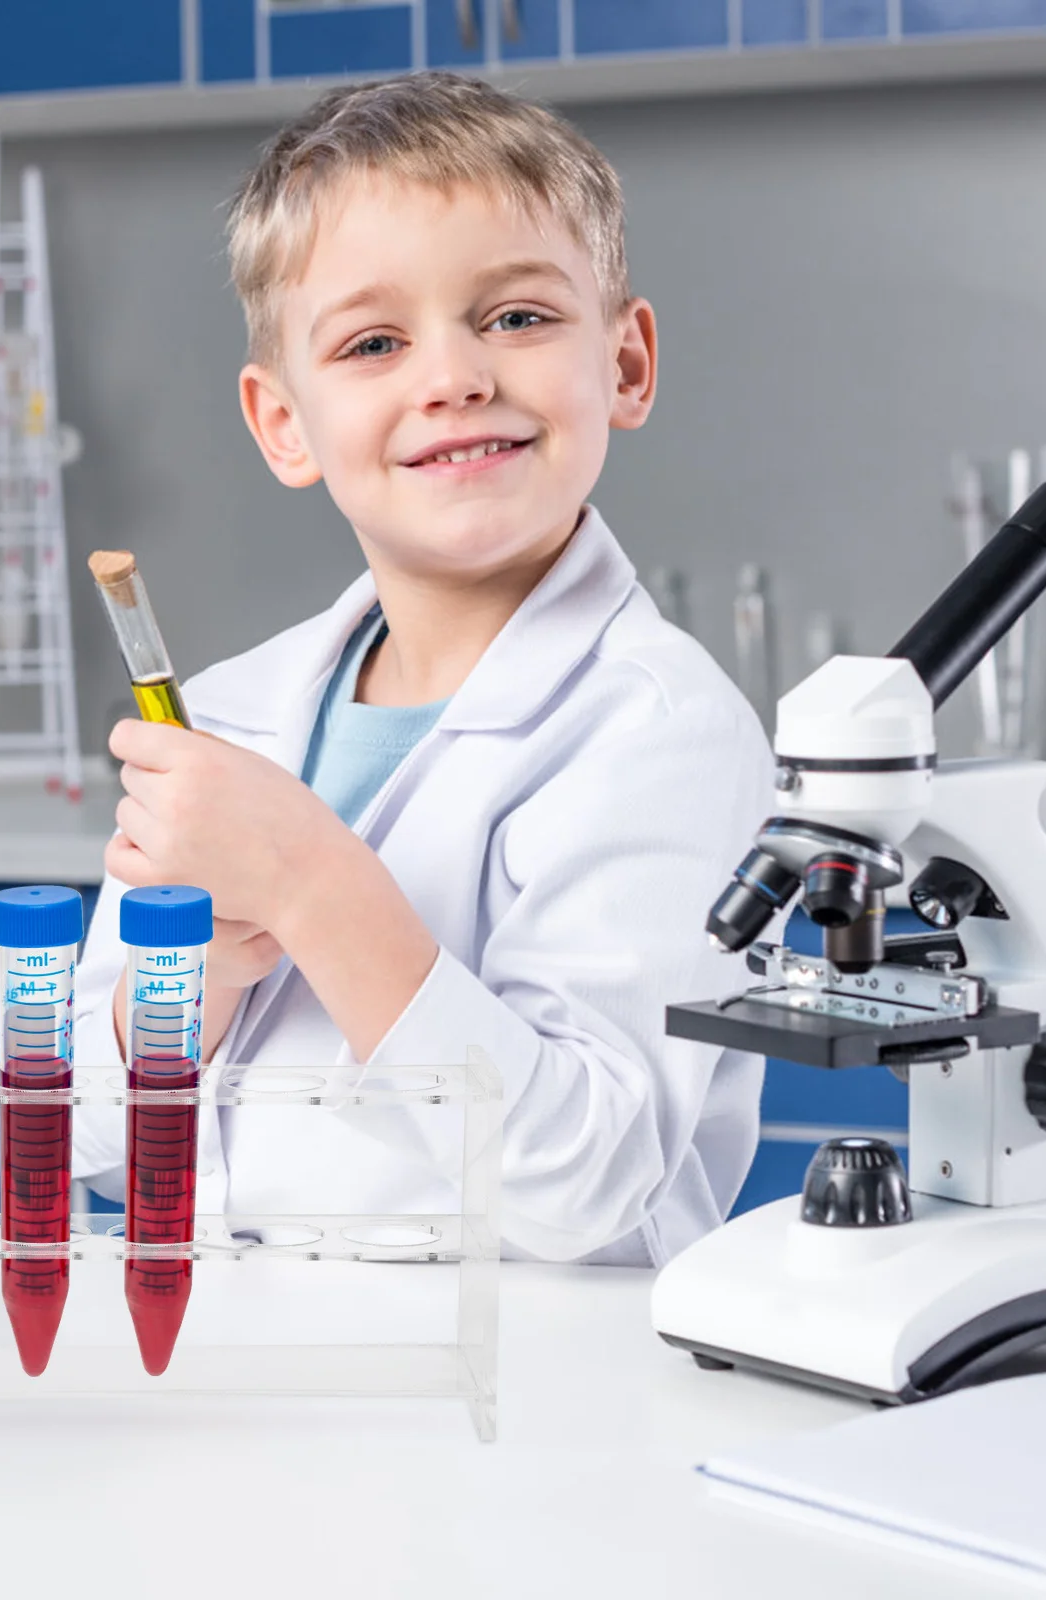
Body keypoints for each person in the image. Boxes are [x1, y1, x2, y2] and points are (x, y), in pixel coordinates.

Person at [73, 71, 772, 1265]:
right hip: (242, 1380)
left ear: (626, 363)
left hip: (536, 1407)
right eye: (373, 341)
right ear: (283, 423)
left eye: (516, 318)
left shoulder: (662, 732)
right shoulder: (233, 715)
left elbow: (583, 1181)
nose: (451, 376)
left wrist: (310, 887)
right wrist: (196, 984)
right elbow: (91, 1131)